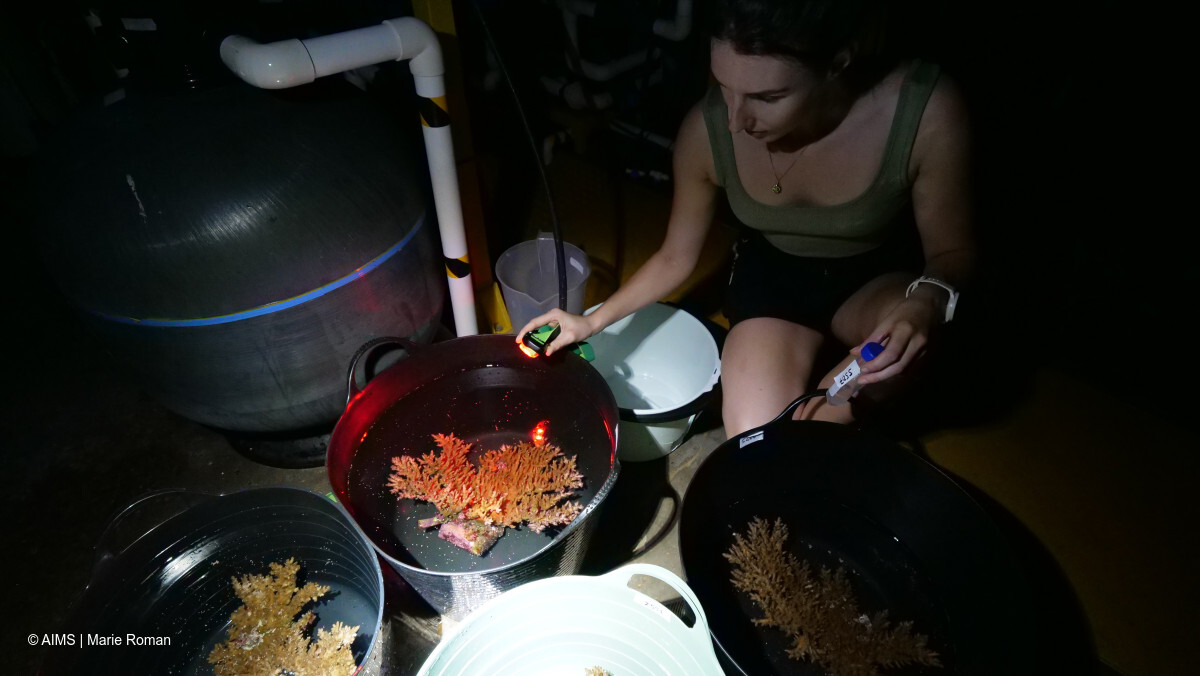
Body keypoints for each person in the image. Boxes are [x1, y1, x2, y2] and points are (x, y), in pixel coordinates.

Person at [516, 0, 975, 438]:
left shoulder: (923, 108)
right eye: (723, 87)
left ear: (838, 63)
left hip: (875, 276)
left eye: (767, 96)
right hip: (774, 275)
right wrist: (590, 323)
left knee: (904, 355)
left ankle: (829, 429)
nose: (736, 121)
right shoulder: (707, 128)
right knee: (757, 438)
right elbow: (676, 256)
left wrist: (927, 302)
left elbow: (952, 255)